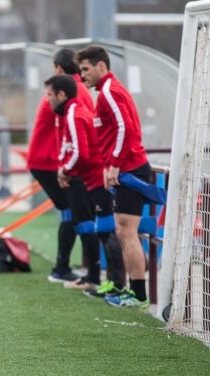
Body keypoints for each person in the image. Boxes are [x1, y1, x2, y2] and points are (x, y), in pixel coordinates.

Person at [76, 45, 152, 308]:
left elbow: (125, 127)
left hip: (130, 168)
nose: (82, 75)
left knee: (127, 232)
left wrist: (115, 165)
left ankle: (139, 295)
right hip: (125, 167)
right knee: (123, 232)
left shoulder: (109, 91)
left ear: (101, 66)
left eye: (86, 69)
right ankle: (133, 291)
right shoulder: (106, 92)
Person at [44, 75, 125, 298]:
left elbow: (80, 152)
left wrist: (64, 170)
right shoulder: (70, 112)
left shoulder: (75, 113)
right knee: (96, 229)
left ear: (62, 95)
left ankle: (110, 282)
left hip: (96, 179)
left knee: (104, 230)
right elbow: (68, 146)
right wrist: (63, 167)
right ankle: (101, 279)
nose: (47, 100)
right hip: (89, 179)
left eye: (50, 95)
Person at [26, 48, 96, 286]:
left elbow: (68, 132)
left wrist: (66, 165)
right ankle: (68, 268)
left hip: (54, 161)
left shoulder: (69, 91)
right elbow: (66, 132)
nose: (48, 98)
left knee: (76, 212)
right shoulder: (72, 91)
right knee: (75, 211)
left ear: (58, 68)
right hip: (54, 162)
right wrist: (66, 167)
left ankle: (73, 267)